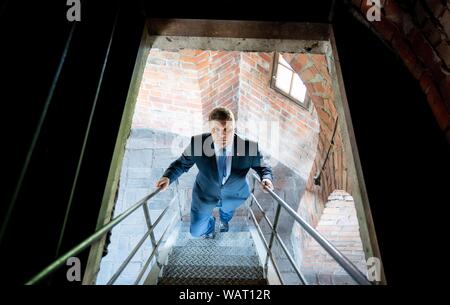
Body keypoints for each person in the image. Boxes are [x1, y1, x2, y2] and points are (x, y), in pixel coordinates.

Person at [155, 107, 273, 238]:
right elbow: (182, 163)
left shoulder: (249, 147)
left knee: (227, 213)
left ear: (234, 127)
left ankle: (224, 221)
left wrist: (266, 178)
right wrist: (168, 177)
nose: (222, 135)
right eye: (216, 129)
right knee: (195, 232)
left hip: (234, 194)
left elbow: (263, 167)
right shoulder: (198, 144)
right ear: (210, 129)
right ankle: (209, 225)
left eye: (227, 129)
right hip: (205, 193)